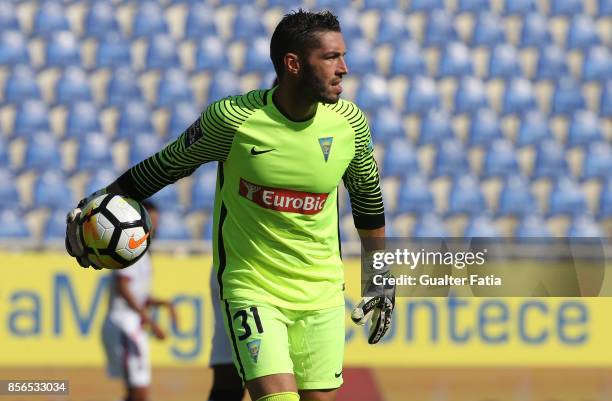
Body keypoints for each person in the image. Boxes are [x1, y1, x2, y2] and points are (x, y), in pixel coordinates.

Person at [67, 9, 394, 401]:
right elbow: (164, 167)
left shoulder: (350, 124)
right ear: (293, 64)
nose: (344, 68)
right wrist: (96, 202)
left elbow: (368, 203)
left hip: (321, 292)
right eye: (330, 57)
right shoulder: (234, 119)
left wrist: (380, 279)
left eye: (343, 56)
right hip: (252, 289)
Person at [101, 200, 177, 401]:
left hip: (131, 325)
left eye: (156, 222)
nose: (155, 228)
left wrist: (162, 304)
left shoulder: (142, 251)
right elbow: (123, 288)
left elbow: (137, 294)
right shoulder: (129, 249)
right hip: (125, 325)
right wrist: (152, 322)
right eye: (151, 222)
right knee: (140, 393)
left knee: (136, 393)